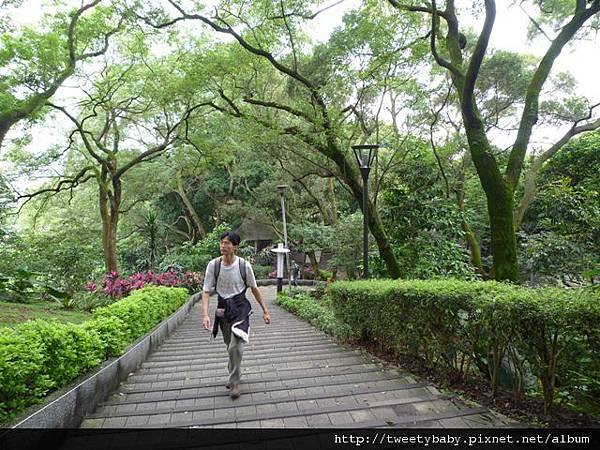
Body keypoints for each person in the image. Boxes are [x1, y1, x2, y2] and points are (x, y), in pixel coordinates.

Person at [201, 231, 271, 399]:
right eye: (222, 243)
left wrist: (265, 310)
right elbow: (206, 291)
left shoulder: (243, 265)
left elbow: (254, 288)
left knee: (235, 346)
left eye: (227, 243)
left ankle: (235, 382)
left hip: (240, 308)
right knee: (229, 345)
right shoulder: (214, 265)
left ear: (235, 247)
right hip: (223, 308)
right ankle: (233, 374)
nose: (223, 246)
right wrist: (205, 314)